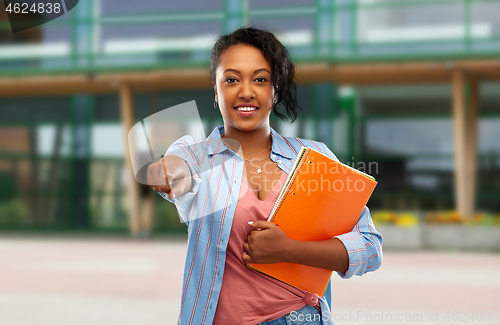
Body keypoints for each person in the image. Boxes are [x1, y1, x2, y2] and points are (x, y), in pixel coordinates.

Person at [147, 27, 383, 325]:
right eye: (231, 80)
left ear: (275, 90)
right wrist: (167, 173)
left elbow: (369, 248)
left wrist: (287, 249)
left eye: (260, 79)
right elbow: (173, 170)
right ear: (215, 90)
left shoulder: (314, 158)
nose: (246, 91)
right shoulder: (196, 155)